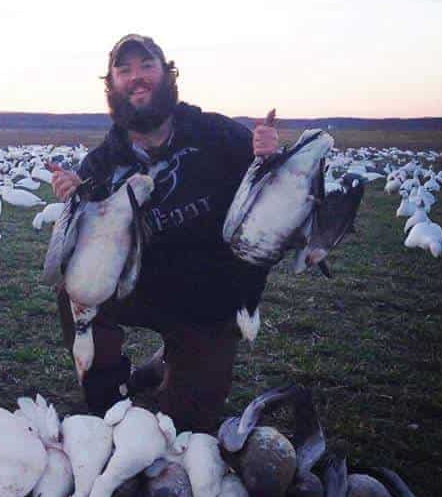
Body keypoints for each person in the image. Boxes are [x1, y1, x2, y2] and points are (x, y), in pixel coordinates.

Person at [50, 33, 279, 432]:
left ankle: (169, 362)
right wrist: (77, 201)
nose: (136, 77)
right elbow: (81, 248)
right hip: (135, 288)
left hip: (207, 300)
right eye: (124, 70)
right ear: (112, 86)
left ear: (167, 74)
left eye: (146, 66)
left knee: (185, 430)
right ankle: (111, 390)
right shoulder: (101, 164)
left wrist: (271, 159)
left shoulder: (219, 137)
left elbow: (274, 197)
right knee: (77, 290)